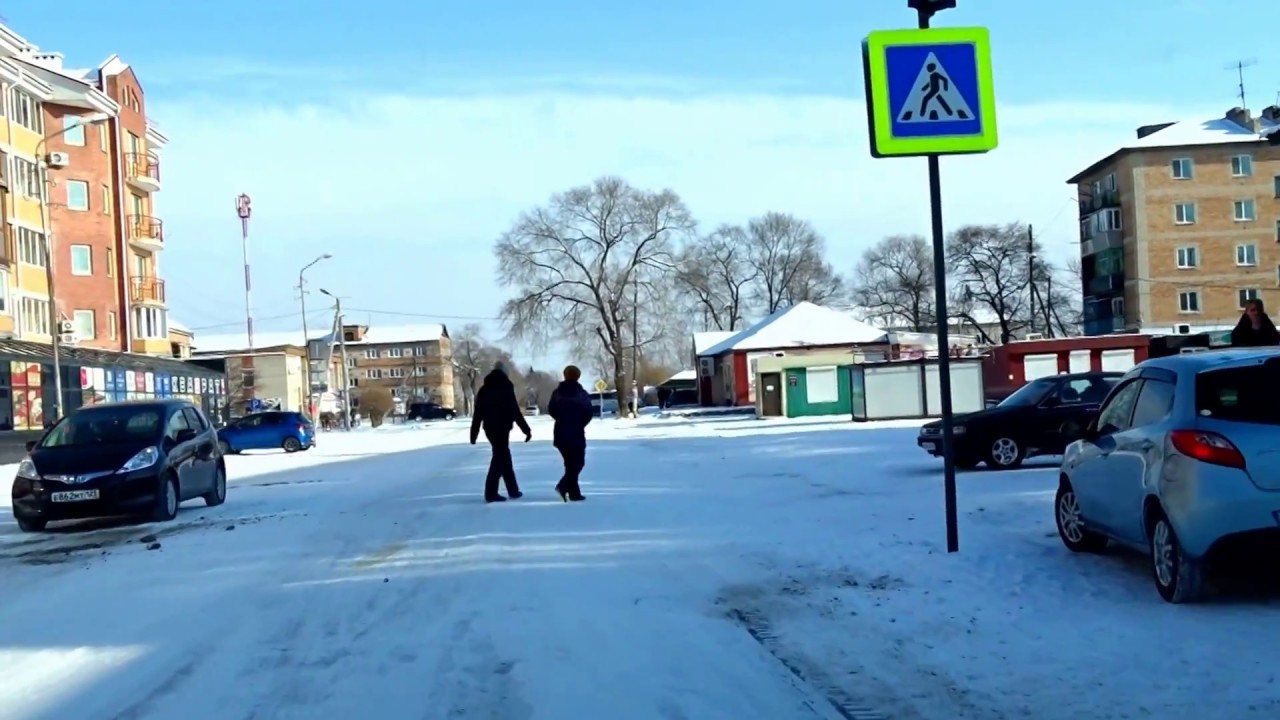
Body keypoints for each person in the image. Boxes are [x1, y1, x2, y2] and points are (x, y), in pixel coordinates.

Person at [470, 361, 532, 503]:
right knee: (500, 458)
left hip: (490, 429)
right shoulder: (506, 387)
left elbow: (478, 413)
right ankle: (491, 493)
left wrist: (473, 433)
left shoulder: (484, 389)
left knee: (503, 456)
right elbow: (514, 410)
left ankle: (513, 490)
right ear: (505, 373)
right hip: (503, 428)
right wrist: (526, 430)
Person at [548, 365, 593, 502]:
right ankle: (563, 486)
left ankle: (574, 492)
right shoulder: (581, 393)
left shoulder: (557, 393)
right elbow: (588, 412)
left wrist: (561, 419)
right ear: (578, 376)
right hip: (576, 431)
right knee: (578, 462)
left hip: (561, 431)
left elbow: (551, 409)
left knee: (570, 463)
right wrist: (579, 423)